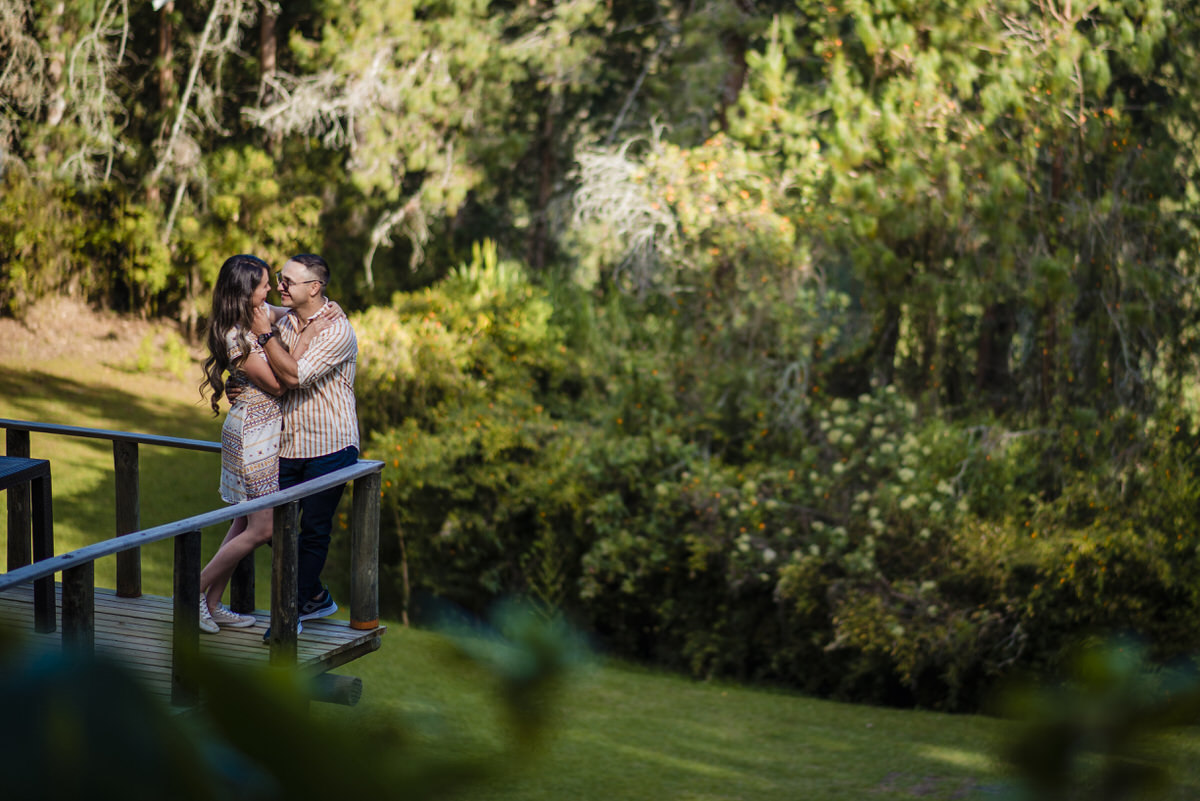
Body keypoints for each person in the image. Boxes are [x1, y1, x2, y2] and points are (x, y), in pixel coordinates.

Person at [197, 254, 328, 635]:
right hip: (252, 435)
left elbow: (297, 310)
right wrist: (298, 341)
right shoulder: (235, 334)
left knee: (243, 522)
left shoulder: (255, 316)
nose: (271, 288)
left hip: (265, 432)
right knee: (263, 528)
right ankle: (190, 592)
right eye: (264, 284)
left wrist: (328, 311)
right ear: (245, 291)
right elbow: (278, 385)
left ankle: (211, 604)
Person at [249, 253, 359, 642]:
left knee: (312, 531)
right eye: (279, 279)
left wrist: (266, 338)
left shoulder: (337, 331)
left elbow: (295, 377)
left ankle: (289, 615)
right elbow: (253, 313)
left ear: (314, 288)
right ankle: (314, 595)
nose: (279, 286)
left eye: (287, 281)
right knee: (268, 527)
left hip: (330, 446)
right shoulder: (287, 320)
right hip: (287, 446)